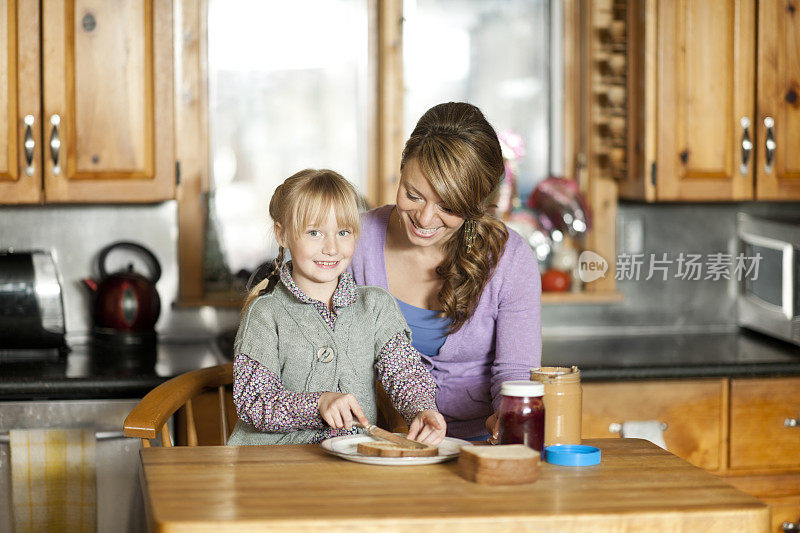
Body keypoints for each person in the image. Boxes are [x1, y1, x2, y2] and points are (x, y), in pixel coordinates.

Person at [349, 102, 542, 441]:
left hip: (476, 446)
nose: (424, 219)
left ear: (476, 204)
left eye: (449, 207)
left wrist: (507, 418)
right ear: (401, 169)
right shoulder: (356, 242)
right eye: (413, 195)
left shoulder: (511, 260)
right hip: (377, 442)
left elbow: (513, 373)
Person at [227, 169, 446, 446]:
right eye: (315, 232)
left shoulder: (375, 306)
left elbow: (404, 372)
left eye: (343, 232)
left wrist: (423, 409)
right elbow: (254, 402)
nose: (332, 248)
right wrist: (317, 404)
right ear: (282, 235)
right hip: (273, 466)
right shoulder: (264, 313)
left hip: (349, 462)